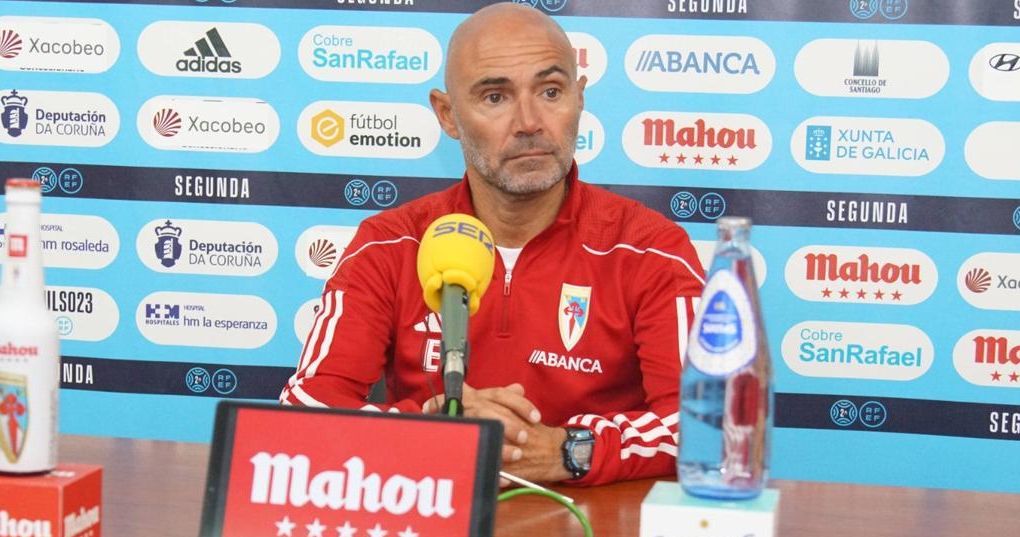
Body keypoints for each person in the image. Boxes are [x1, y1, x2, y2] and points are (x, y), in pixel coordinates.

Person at [281, 2, 705, 486]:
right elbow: (305, 410)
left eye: (550, 91)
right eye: (495, 97)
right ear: (448, 115)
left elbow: (704, 425)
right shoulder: (388, 244)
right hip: (429, 529)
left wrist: (567, 449)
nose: (529, 122)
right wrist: (433, 430)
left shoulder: (650, 249)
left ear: (579, 98)